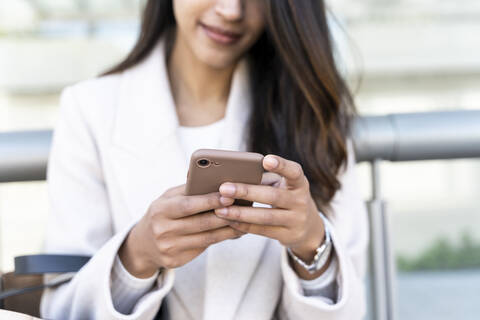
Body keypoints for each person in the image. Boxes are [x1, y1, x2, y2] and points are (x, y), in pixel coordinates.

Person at [40, 0, 369, 319]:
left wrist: (312, 244)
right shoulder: (90, 109)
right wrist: (136, 256)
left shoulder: (312, 112)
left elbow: (350, 311)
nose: (231, 11)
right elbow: (61, 307)